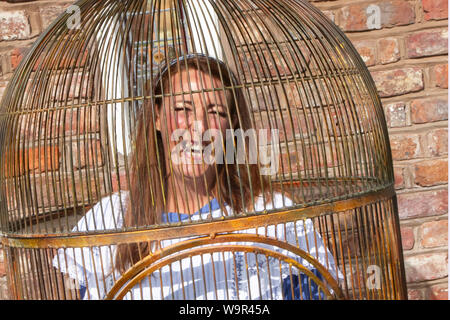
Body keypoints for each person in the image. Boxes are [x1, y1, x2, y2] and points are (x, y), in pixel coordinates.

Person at [52, 54, 341, 300]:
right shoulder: (110, 219)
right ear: (156, 116)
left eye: (216, 112)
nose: (199, 128)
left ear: (233, 125)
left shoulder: (271, 213)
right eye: (182, 109)